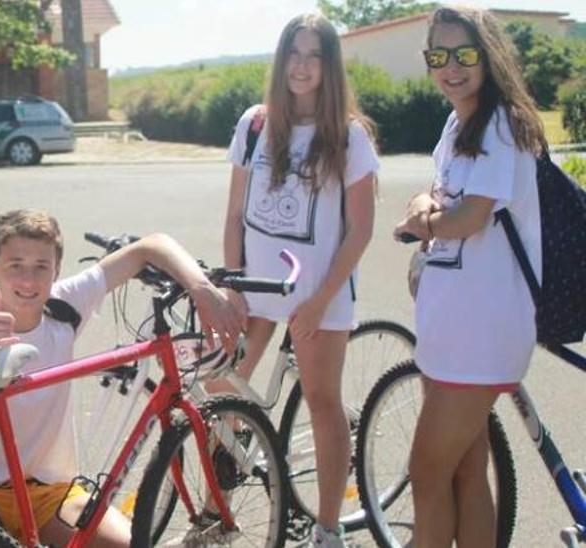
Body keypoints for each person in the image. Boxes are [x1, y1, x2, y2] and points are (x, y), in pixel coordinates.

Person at [0, 209, 245, 547]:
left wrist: (201, 288)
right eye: (15, 266)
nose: (28, 280)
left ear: (56, 271)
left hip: (50, 493)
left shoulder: (63, 306)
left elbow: (150, 247)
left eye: (41, 267)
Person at [217, 13, 378, 547]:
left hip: (318, 294)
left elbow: (360, 231)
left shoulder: (348, 136)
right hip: (258, 288)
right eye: (293, 54)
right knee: (220, 390)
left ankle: (328, 529)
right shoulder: (256, 124)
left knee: (322, 402)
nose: (301, 66)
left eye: (314, 56)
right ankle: (234, 476)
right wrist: (232, 286)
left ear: (329, 66)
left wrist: (319, 301)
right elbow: (235, 214)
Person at [392, 7, 544, 548]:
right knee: (463, 473)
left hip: (479, 334)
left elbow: (468, 217)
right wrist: (426, 210)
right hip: (452, 330)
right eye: (439, 56)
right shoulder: (459, 122)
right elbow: (438, 195)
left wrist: (424, 221)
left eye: (464, 54)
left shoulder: (499, 124)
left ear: (489, 56)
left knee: (427, 472)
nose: (450, 67)